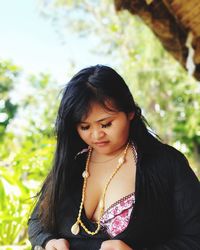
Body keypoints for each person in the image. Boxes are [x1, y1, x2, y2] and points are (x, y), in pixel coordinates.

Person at [28, 65, 200, 250]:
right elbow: (37, 222)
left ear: (130, 112)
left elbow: (194, 238)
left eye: (106, 124)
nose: (96, 135)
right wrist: (48, 241)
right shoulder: (72, 164)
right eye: (84, 127)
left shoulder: (168, 163)